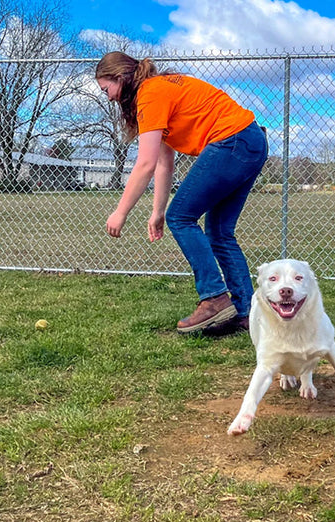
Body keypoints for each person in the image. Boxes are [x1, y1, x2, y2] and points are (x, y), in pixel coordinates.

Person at [96, 51, 268, 334]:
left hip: (232, 140)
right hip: (251, 141)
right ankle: (246, 314)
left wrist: (120, 212)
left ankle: (214, 297)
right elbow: (164, 162)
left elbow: (145, 164)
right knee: (219, 232)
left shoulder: (150, 94)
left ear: (120, 78)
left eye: (107, 89)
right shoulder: (161, 90)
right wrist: (157, 212)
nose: (109, 97)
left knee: (183, 217)